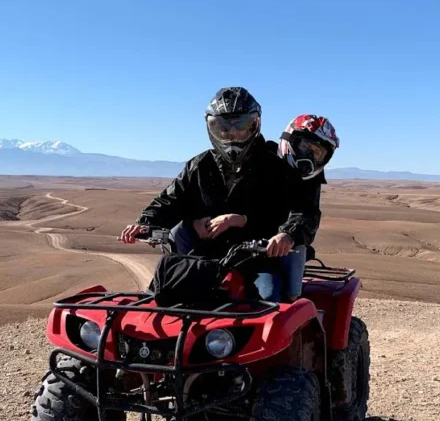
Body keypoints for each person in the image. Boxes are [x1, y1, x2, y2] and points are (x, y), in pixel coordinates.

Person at [119, 87, 320, 301]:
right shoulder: (200, 165)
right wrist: (146, 223)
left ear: (254, 125)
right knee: (160, 296)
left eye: (241, 126)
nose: (232, 134)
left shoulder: (276, 166)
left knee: (268, 299)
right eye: (223, 127)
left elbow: (303, 210)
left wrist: (286, 234)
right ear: (212, 128)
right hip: (205, 258)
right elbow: (170, 200)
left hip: (258, 260)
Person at [269, 114, 340, 300]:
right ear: (291, 140)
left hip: (284, 243)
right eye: (305, 147)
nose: (310, 156)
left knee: (283, 294)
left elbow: (308, 213)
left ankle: (292, 312)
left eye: (317, 153)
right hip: (241, 237)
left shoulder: (311, 180)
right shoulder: (260, 158)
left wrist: (289, 234)